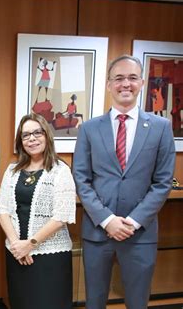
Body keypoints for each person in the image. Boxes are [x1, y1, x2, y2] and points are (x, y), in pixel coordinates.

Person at [73, 55, 176, 309]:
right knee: (94, 301)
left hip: (139, 233)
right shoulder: (89, 128)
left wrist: (133, 221)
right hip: (98, 232)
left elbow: (163, 182)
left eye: (132, 78)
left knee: (137, 302)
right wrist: (108, 220)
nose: (125, 84)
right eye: (118, 78)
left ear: (142, 83)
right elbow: (81, 180)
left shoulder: (161, 127)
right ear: (109, 85)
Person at [0, 113, 76, 309]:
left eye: (37, 133)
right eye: (25, 135)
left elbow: (61, 216)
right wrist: (17, 245)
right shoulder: (12, 170)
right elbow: (2, 209)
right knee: (21, 302)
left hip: (49, 256)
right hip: (17, 254)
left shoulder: (60, 170)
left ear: (47, 135)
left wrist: (30, 244)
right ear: (20, 142)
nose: (32, 139)